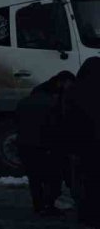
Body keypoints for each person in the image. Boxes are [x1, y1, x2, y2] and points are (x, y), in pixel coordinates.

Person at [16, 71, 76, 216]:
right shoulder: (53, 103)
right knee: (53, 176)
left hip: (25, 144)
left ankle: (38, 205)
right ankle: (49, 205)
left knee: (34, 177)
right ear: (62, 82)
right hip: (44, 145)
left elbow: (18, 123)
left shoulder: (25, 101)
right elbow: (56, 126)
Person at [65, 58, 100, 229]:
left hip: (82, 146)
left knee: (84, 182)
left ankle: (87, 216)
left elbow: (67, 120)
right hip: (94, 144)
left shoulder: (75, 92)